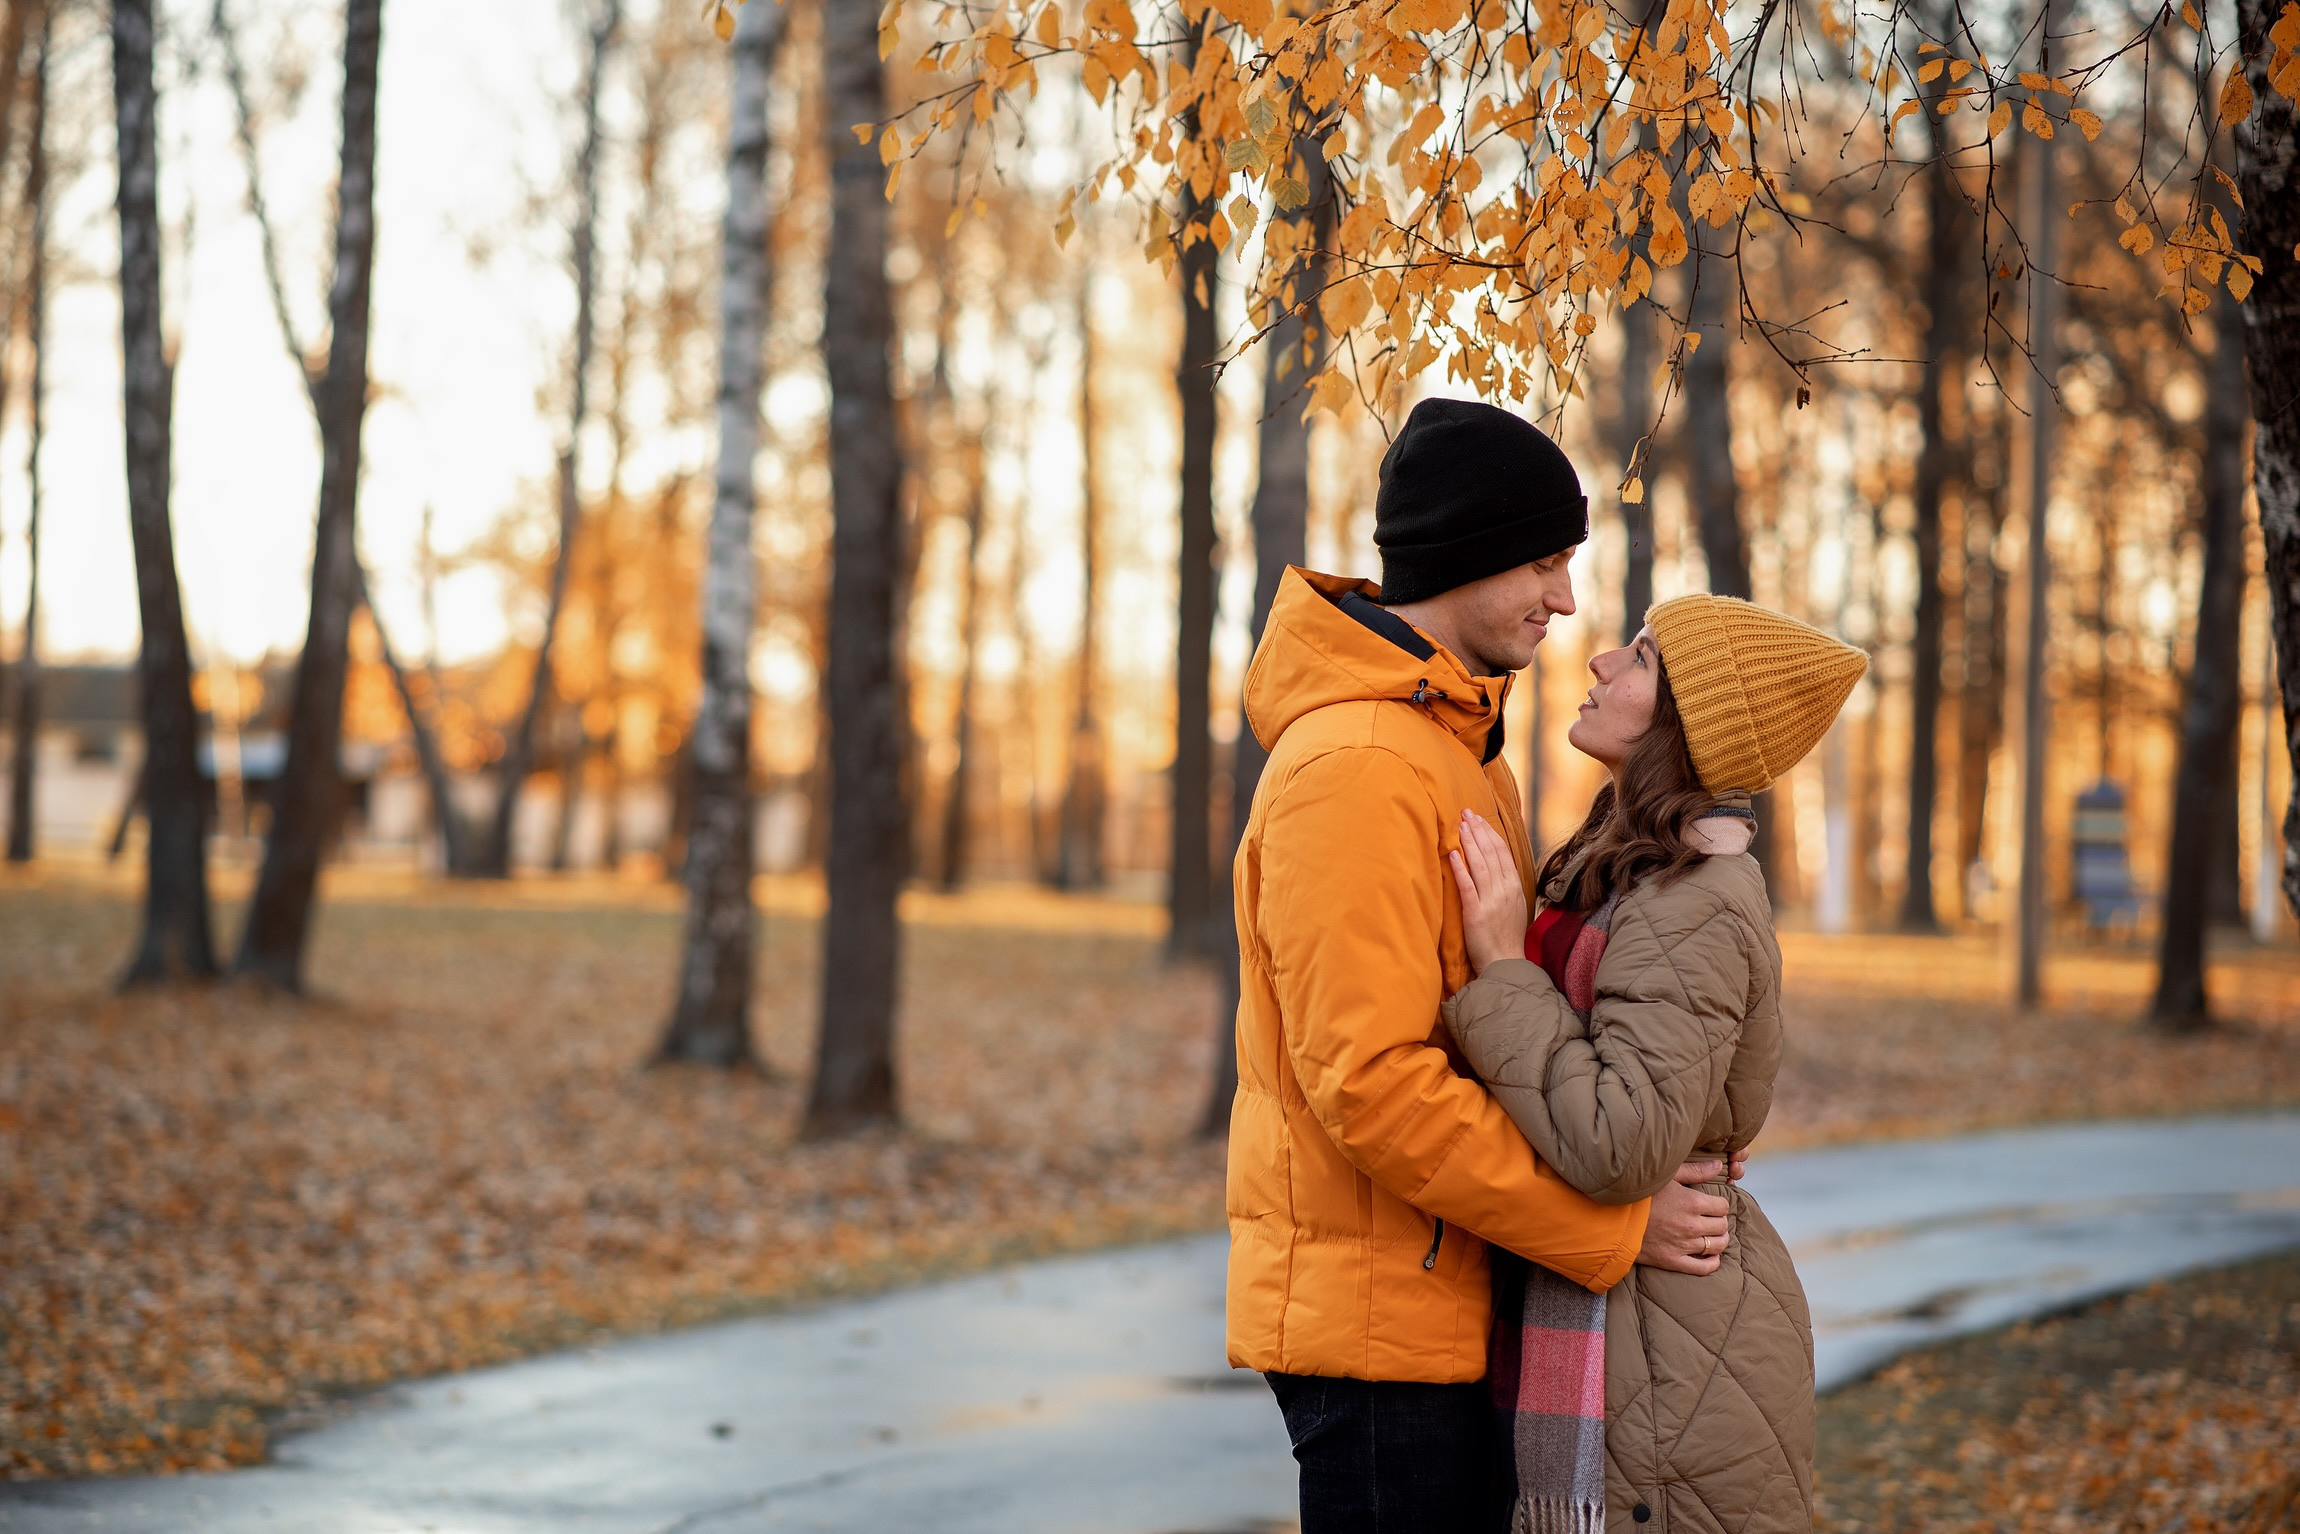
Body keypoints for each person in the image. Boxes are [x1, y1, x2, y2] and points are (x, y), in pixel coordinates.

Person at [1223, 398, 1745, 1534]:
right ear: (1467, 551)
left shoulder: (1452, 753)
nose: (1563, 598)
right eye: (1546, 562)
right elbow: (1372, 1083)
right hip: (1378, 1332)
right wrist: (1607, 1231)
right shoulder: (1358, 766)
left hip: (1445, 1303)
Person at [1442, 595, 1867, 1533]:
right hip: (1616, 1315)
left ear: (1683, 725)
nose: (1600, 662)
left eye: (1638, 657)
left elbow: (1621, 1141)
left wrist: (1506, 969)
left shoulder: (1694, 899)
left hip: (1665, 1356)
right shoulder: (1621, 864)